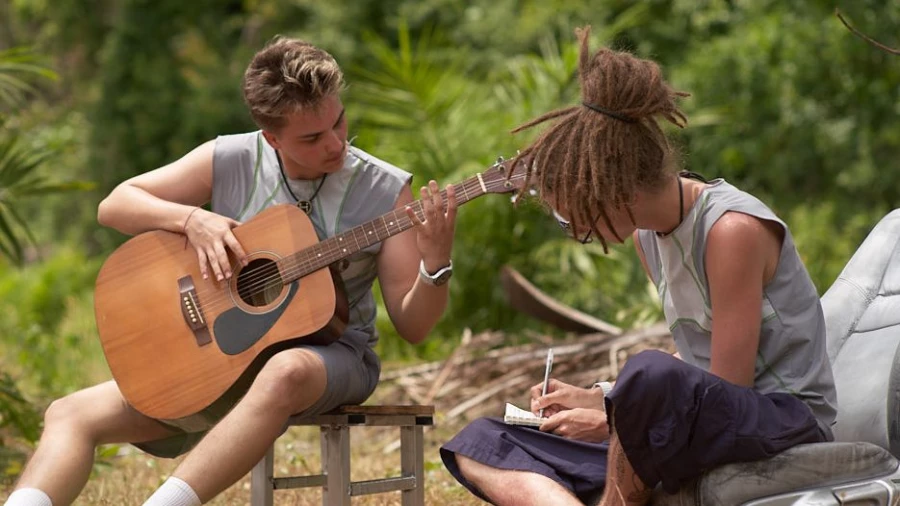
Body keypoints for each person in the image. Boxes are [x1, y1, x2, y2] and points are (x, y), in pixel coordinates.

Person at [4, 36, 457, 506]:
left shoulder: (386, 191)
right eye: (312, 137)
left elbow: (415, 325)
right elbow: (114, 205)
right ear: (271, 138)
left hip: (333, 360)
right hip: (220, 363)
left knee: (284, 370)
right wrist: (190, 218)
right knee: (68, 413)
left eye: (339, 122)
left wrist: (436, 263)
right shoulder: (232, 158)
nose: (336, 143)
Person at [440, 26, 837, 506]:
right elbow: (693, 362)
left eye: (577, 214)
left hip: (782, 421)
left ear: (618, 192)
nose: (575, 230)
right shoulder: (649, 239)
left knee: (646, 372)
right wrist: (601, 397)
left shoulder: (731, 230)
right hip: (705, 420)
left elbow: (726, 386)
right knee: (481, 442)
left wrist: (614, 418)